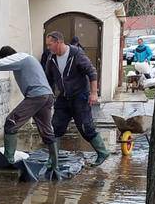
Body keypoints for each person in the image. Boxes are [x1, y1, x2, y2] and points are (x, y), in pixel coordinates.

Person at [0, 47, 59, 172]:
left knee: (10, 123)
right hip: (47, 95)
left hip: (36, 96)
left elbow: (1, 64)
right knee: (46, 129)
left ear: (9, 57)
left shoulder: (19, 58)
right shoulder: (28, 58)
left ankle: (8, 162)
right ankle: (54, 163)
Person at [41, 30, 110, 166]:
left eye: (50, 45)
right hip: (63, 98)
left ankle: (103, 152)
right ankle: (52, 159)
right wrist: (47, 96)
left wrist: (94, 93)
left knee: (85, 127)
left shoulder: (76, 54)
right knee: (55, 127)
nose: (48, 48)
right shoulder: (51, 58)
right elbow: (48, 79)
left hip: (80, 96)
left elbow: (92, 72)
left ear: (58, 42)